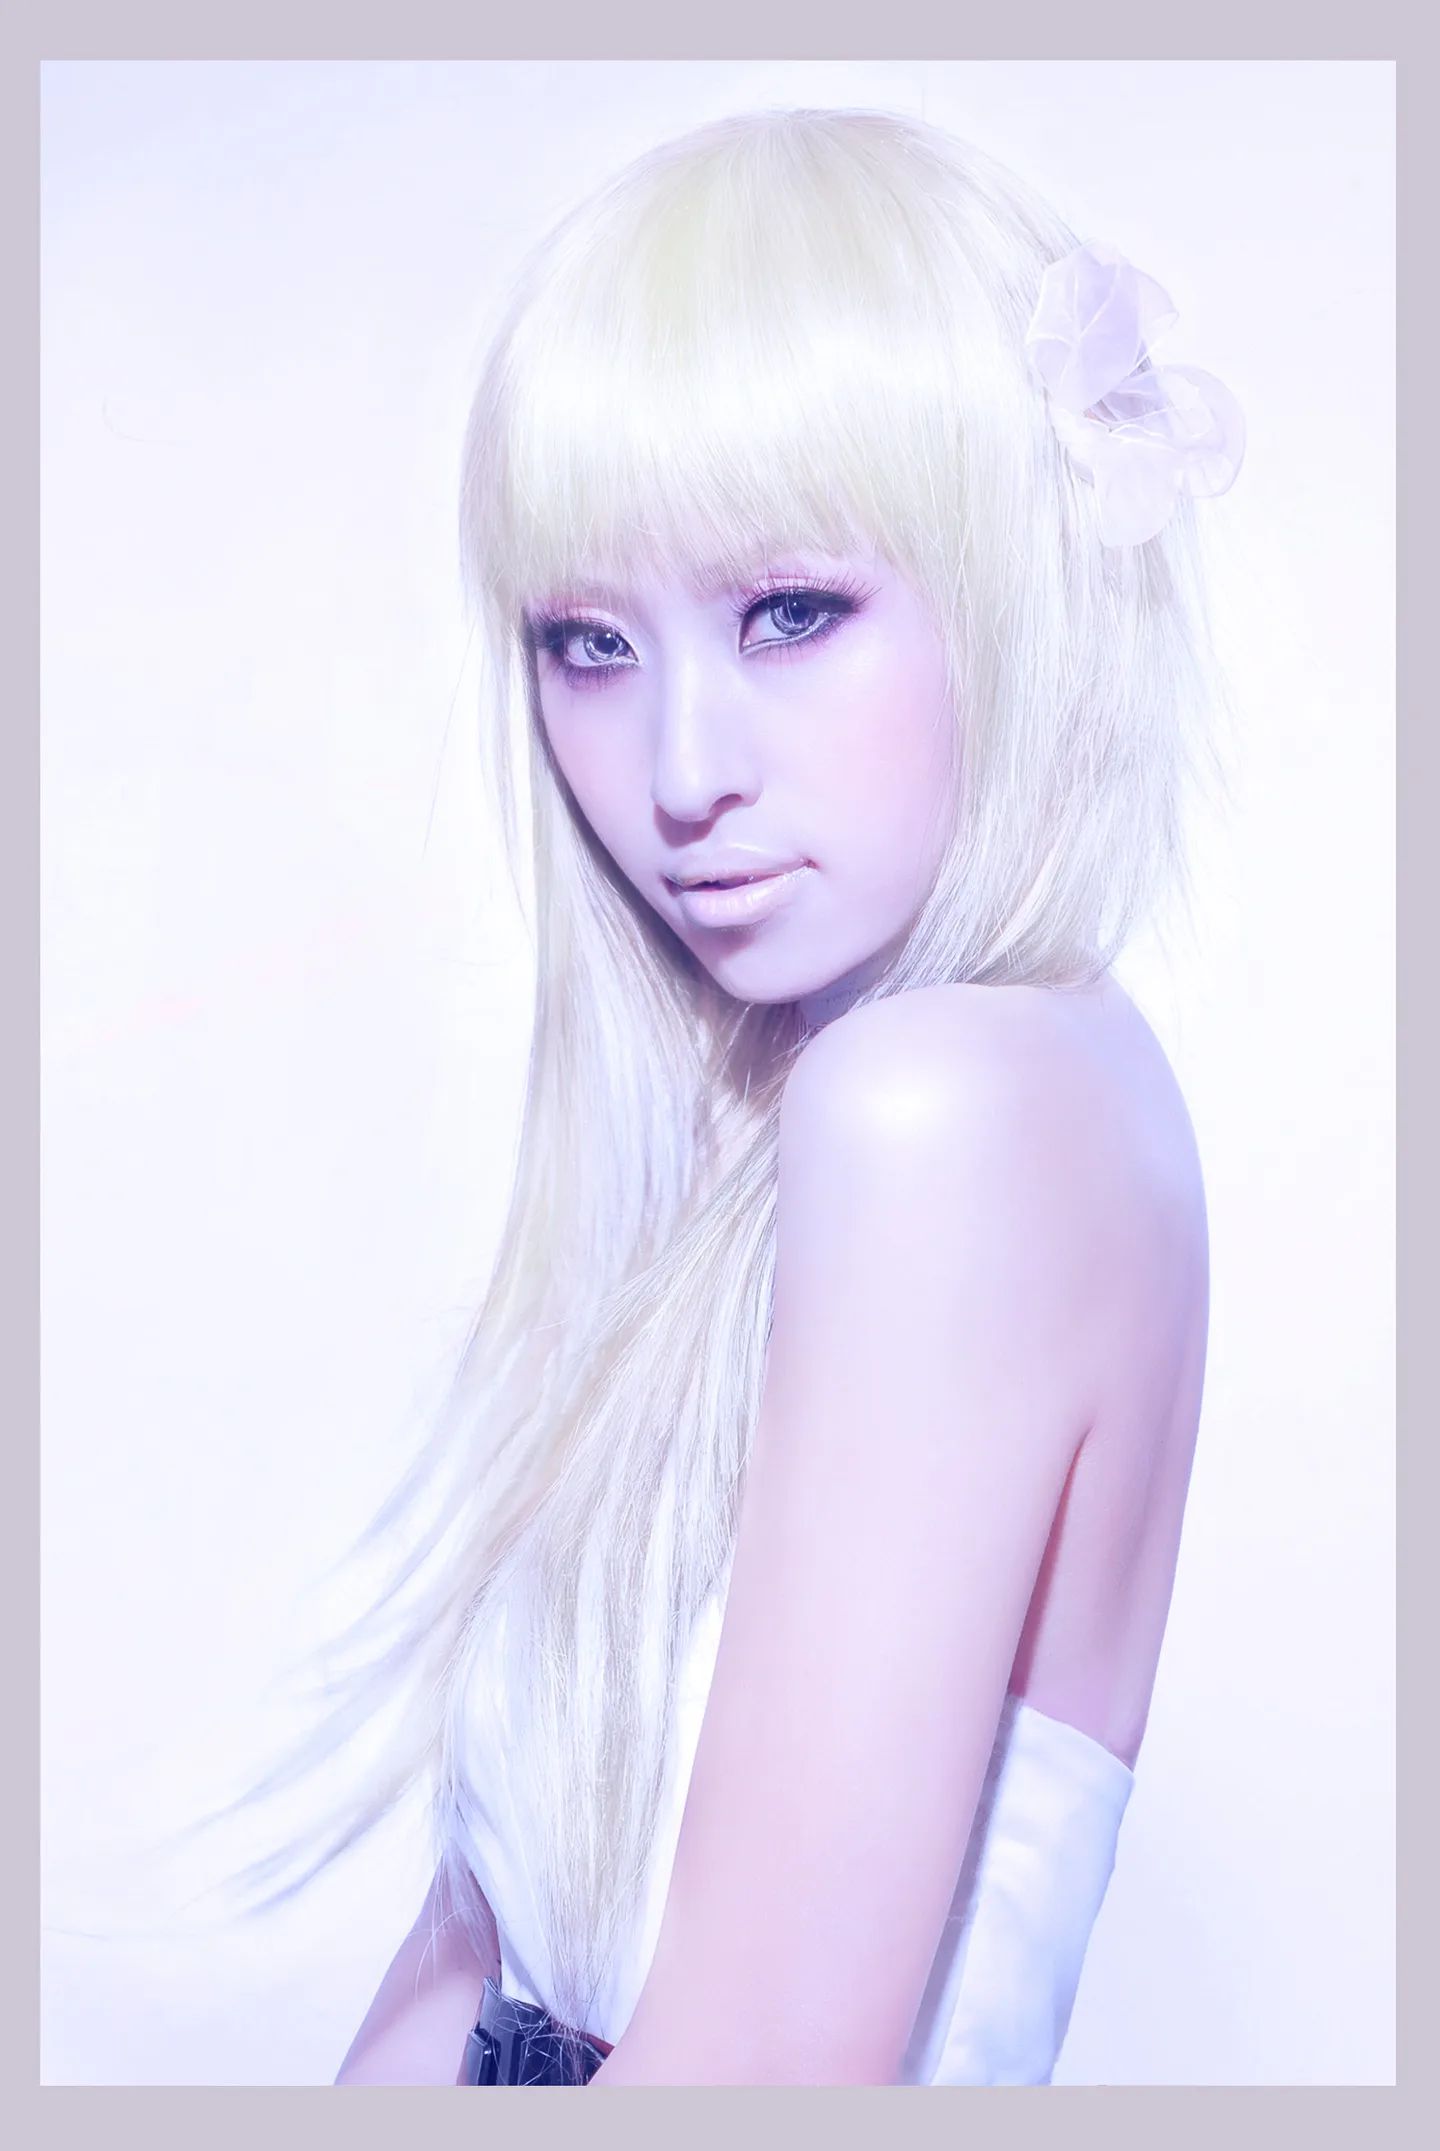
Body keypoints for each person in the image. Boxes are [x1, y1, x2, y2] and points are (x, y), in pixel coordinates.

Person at [327, 106, 1240, 2087]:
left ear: (1011, 577)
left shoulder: (949, 1112)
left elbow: (756, 2067)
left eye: (791, 615)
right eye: (589, 642)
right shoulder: (780, 1121)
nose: (678, 772)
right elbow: (475, 1948)